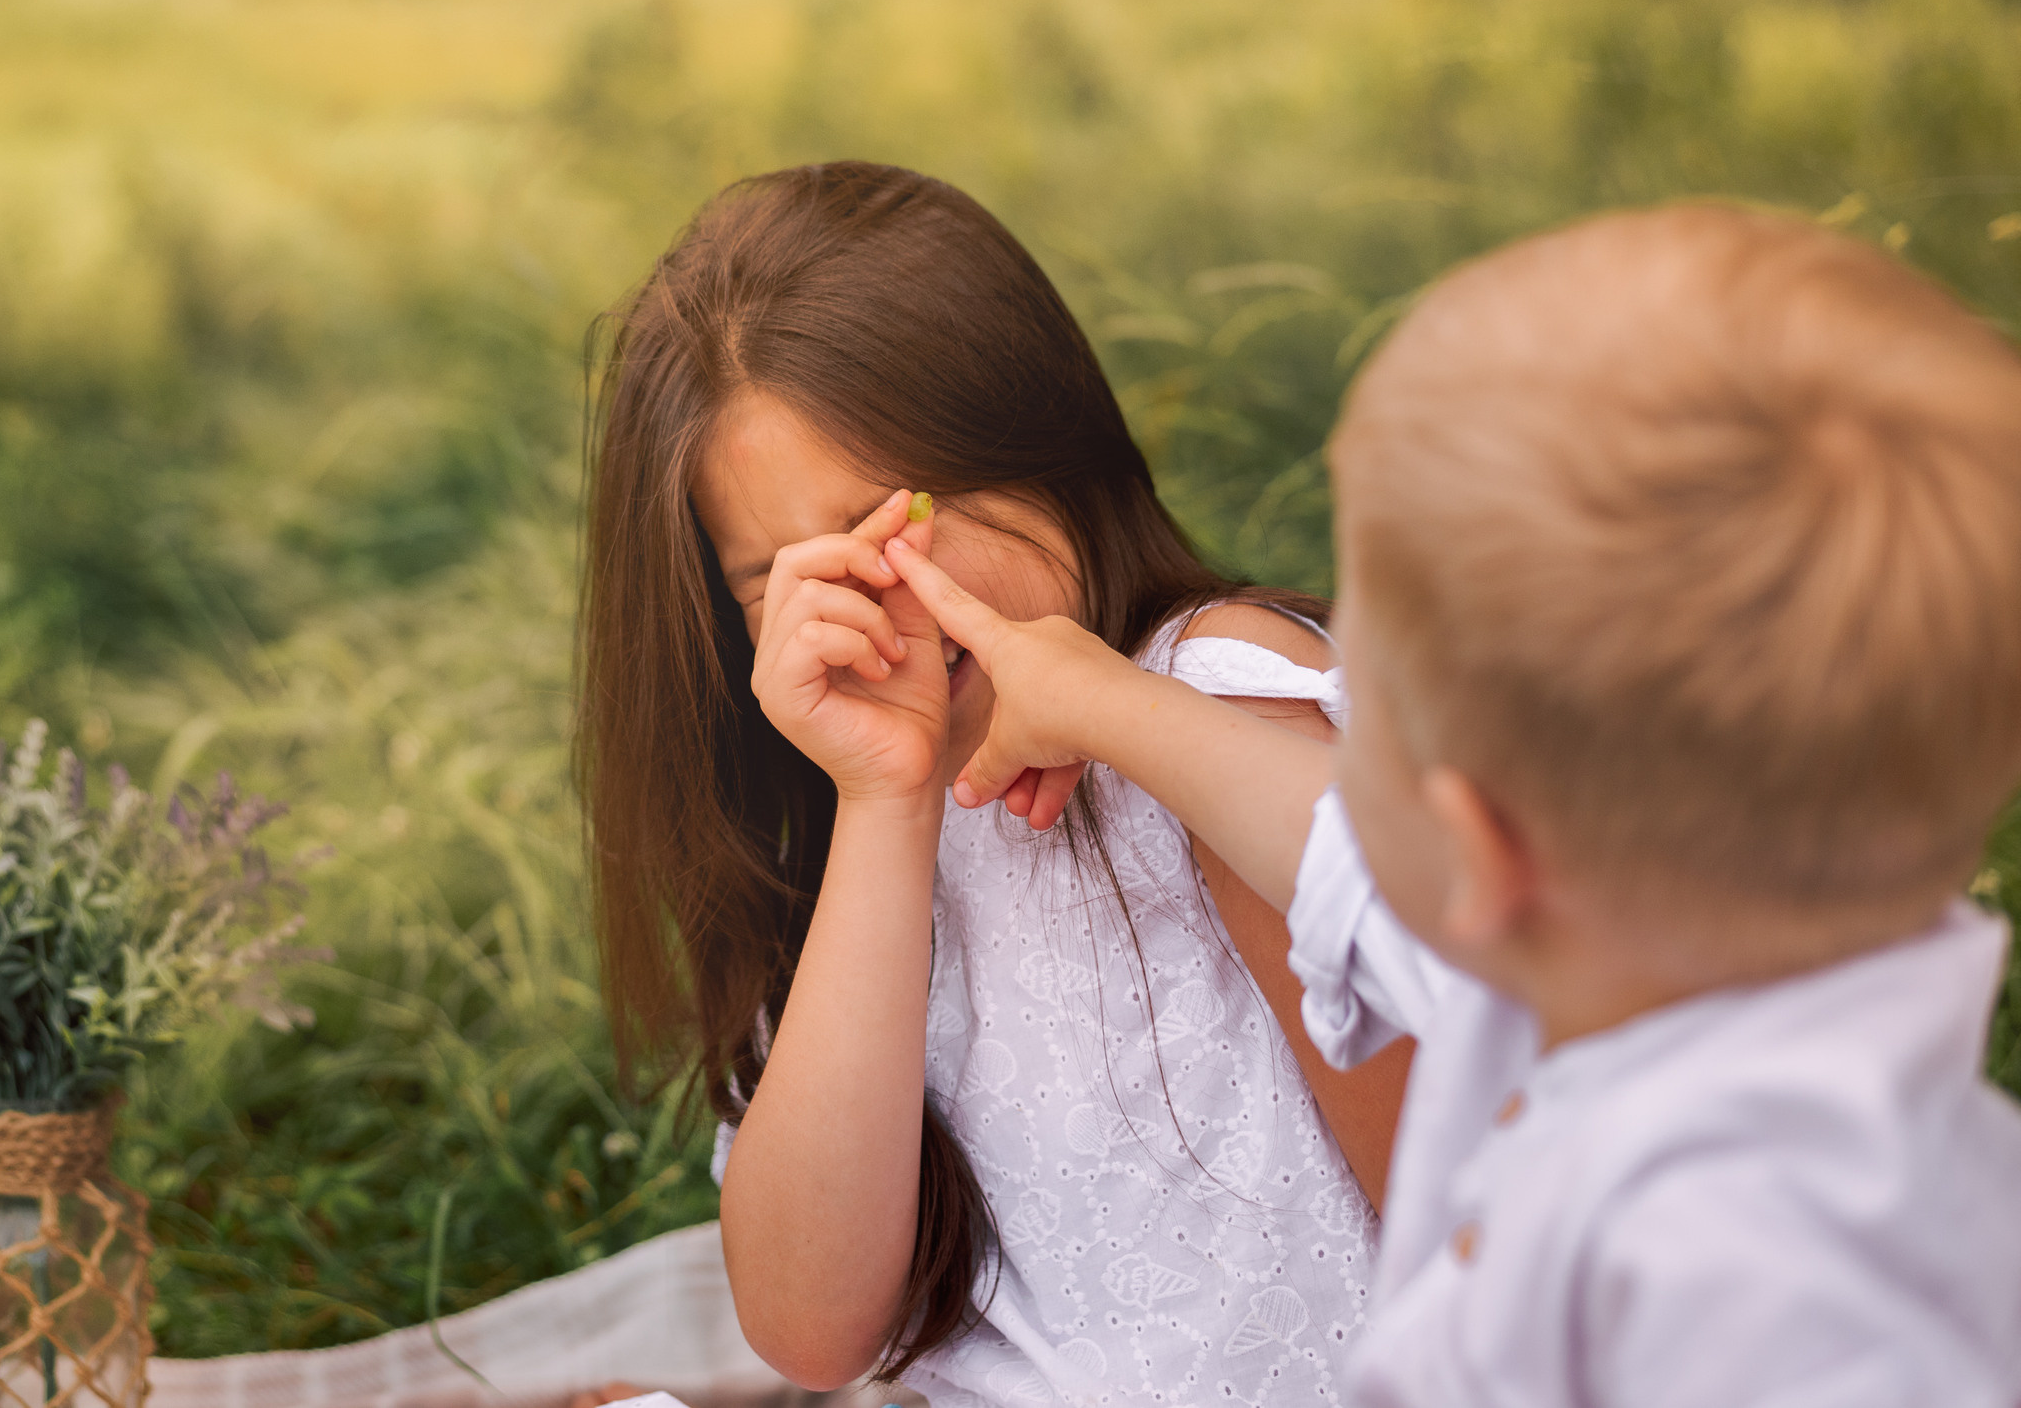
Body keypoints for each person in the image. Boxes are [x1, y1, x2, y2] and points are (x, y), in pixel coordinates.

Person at [885, 204, 2021, 1406]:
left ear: (1475, 843)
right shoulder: (1589, 953)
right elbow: (1327, 844)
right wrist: (1104, 701)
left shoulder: (1776, 1286)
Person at [577, 161, 1411, 1406]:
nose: (870, 608)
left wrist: (1117, 713)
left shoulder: (1212, 708)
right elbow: (812, 1328)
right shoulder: (835, 818)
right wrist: (884, 802)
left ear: (1030, 442)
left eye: (893, 517)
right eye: (778, 584)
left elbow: (1473, 1205)